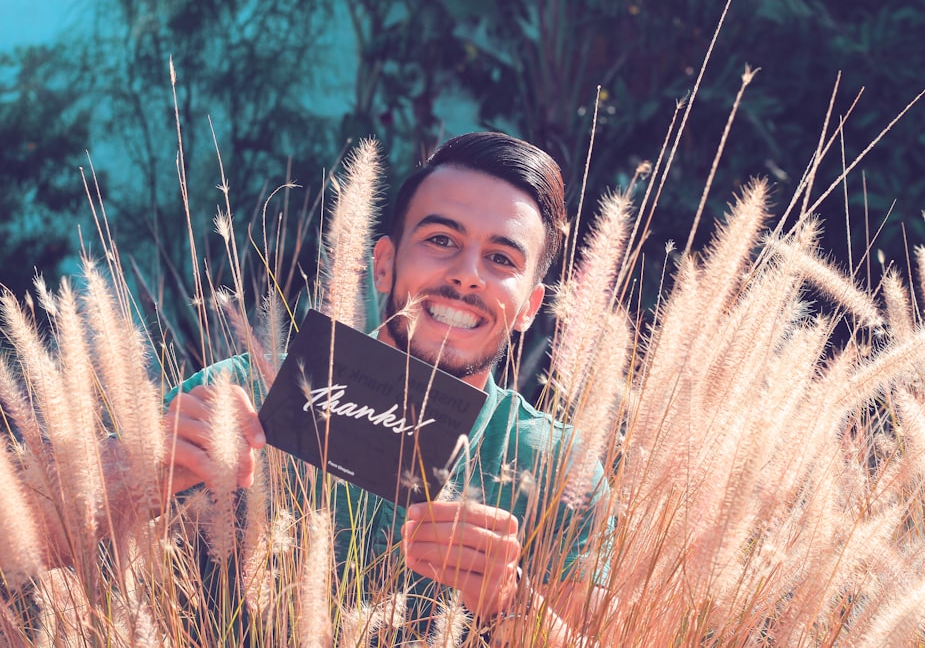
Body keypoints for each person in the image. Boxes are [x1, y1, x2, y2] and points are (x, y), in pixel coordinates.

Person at [165, 132, 609, 643]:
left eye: (502, 259)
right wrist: (147, 468)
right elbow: (61, 533)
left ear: (530, 307)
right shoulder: (247, 390)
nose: (467, 277)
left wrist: (508, 601)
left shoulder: (559, 466)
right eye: (441, 240)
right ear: (383, 263)